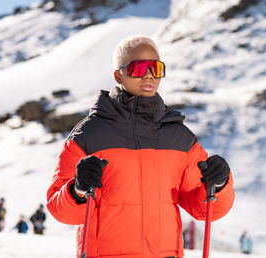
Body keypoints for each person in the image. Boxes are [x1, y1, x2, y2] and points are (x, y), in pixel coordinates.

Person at [46, 35, 235, 258]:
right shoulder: (89, 135)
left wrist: (220, 183)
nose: (149, 75)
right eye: (139, 68)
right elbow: (60, 211)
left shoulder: (180, 139)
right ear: (119, 75)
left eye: (156, 68)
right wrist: (77, 189)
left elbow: (205, 209)